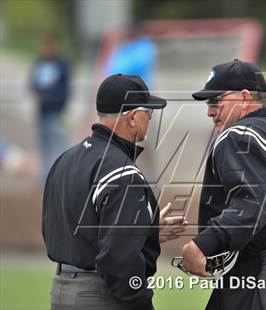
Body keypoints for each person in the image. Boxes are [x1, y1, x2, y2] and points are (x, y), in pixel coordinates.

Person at [181, 59, 266, 310]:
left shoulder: (239, 135)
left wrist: (204, 244)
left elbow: (252, 203)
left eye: (216, 101)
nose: (210, 111)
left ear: (244, 98)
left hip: (264, 275)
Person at [42, 74, 186, 310]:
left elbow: (74, 233)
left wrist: (145, 231)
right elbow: (118, 262)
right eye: (148, 114)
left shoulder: (64, 161)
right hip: (100, 296)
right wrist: (141, 302)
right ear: (132, 118)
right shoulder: (122, 172)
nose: (150, 121)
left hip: (61, 291)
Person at [30, 33, 71, 181]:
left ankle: (62, 173)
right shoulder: (39, 63)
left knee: (59, 142)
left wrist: (59, 104)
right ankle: (45, 174)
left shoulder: (62, 64)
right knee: (44, 143)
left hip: (57, 111)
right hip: (43, 111)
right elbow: (33, 83)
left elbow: (65, 88)